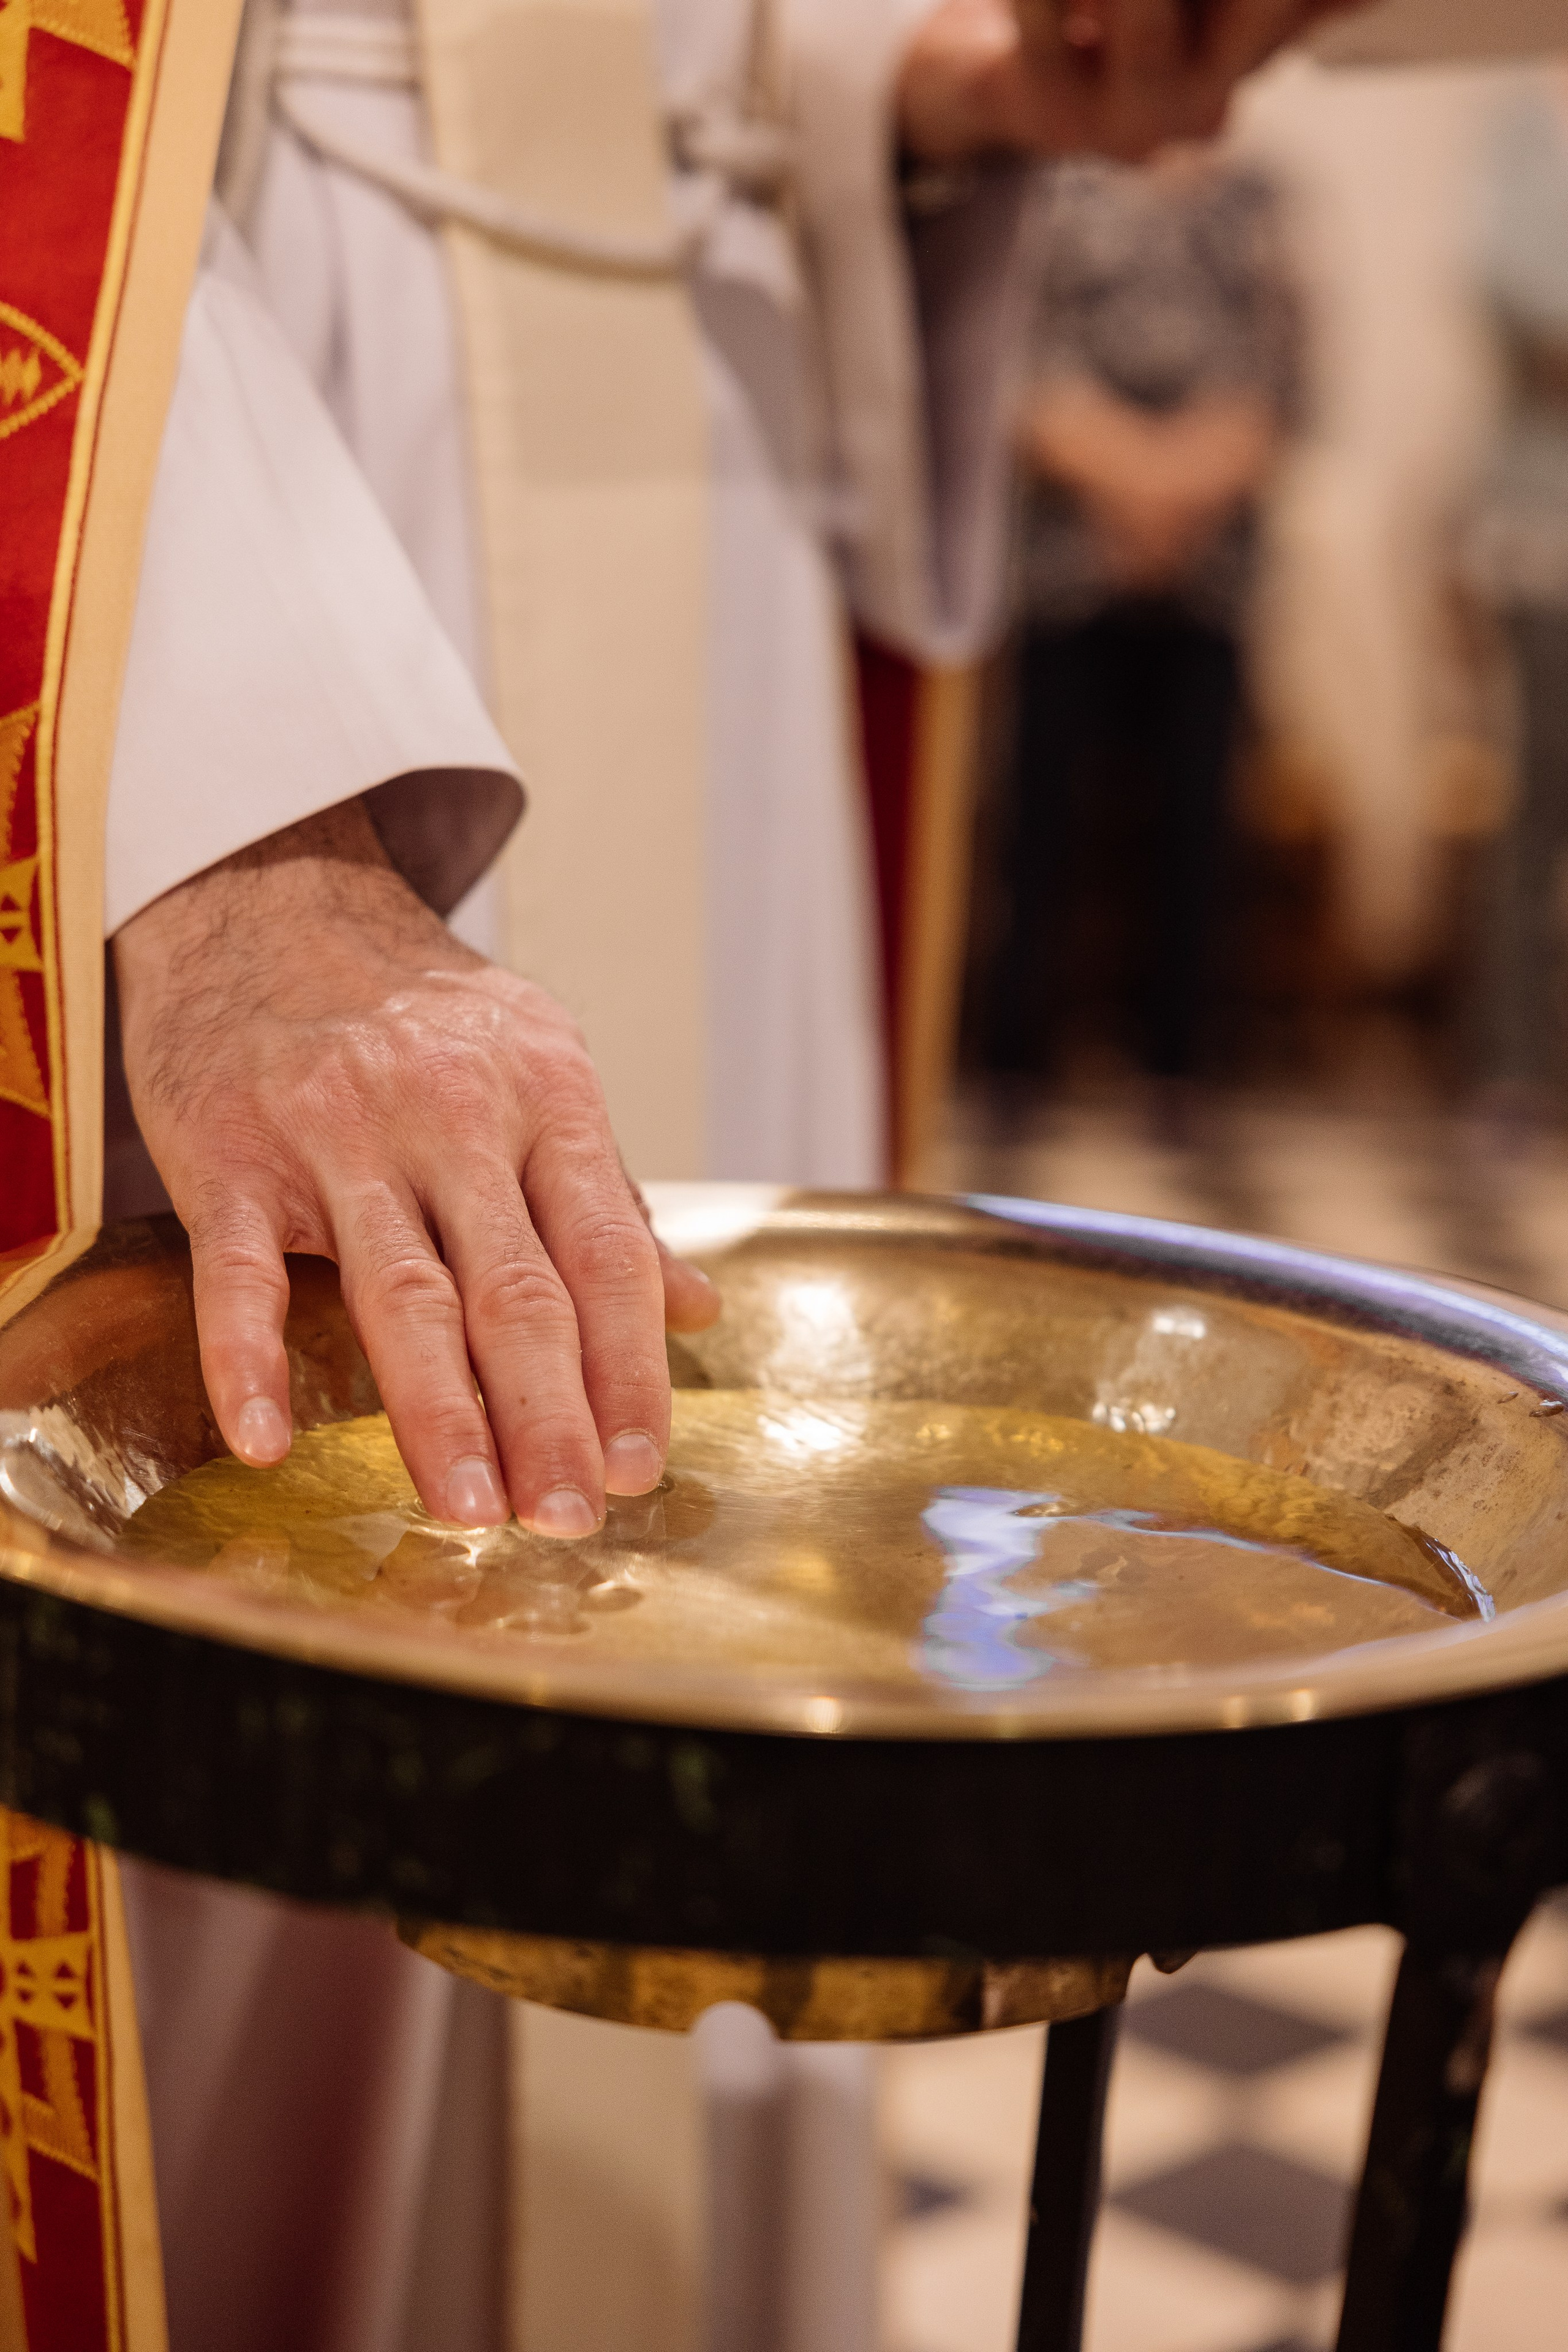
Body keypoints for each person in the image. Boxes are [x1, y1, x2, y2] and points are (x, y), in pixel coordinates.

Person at [989, 142, 1300, 1094]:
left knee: (1198, 821)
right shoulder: (1046, 182)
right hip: (1065, 559)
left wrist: (1176, 493)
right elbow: (1009, 363)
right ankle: (1016, 1049)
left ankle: (1179, 1056)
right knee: (1038, 813)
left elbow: (1282, 381)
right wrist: (1123, 480)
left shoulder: (1261, 199)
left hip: (1210, 569)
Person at [1463, 65, 1568, 1117]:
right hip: (1548, 530)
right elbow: (1533, 302)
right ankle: (1513, 1070)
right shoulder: (1527, 128)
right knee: (1536, 807)